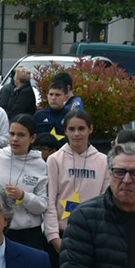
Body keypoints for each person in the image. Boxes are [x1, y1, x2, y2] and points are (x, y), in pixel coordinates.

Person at [0, 115, 50, 256]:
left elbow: (42, 206)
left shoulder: (41, 164)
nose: (14, 139)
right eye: (12, 134)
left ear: (32, 138)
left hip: (28, 233)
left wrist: (24, 196)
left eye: (21, 135)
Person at [44, 109, 107, 256]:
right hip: (61, 235)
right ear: (65, 131)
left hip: (92, 235)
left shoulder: (103, 161)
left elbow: (105, 201)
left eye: (81, 128)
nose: (76, 134)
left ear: (90, 129)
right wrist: (54, 237)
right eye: (71, 129)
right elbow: (50, 200)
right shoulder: (54, 160)